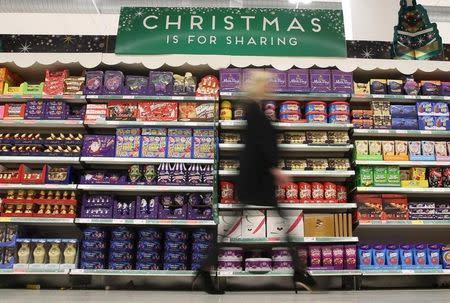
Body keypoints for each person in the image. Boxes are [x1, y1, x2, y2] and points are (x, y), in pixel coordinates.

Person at [237, 70, 316, 292]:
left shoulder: (254, 109)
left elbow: (260, 143)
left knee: (283, 223)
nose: (270, 88)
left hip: (256, 179)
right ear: (260, 86)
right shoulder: (253, 110)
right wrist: (275, 168)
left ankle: (299, 272)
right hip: (256, 179)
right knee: (283, 224)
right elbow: (261, 144)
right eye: (267, 84)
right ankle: (299, 273)